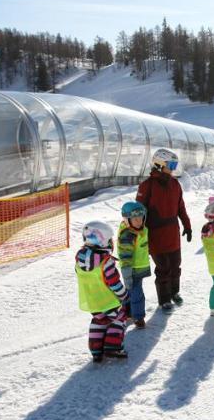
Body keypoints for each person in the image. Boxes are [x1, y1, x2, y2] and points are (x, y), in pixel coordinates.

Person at [136, 148, 192, 311]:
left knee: (176, 266)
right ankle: (164, 299)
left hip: (172, 233)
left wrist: (187, 225)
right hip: (155, 233)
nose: (174, 168)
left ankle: (174, 292)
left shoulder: (175, 184)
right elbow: (138, 212)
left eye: (175, 164)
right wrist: (139, 235)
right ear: (159, 164)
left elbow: (181, 207)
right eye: (171, 164)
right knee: (163, 268)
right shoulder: (147, 185)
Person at [75, 220, 129, 363]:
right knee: (119, 318)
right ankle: (113, 347)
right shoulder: (105, 261)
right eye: (110, 240)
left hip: (92, 302)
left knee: (99, 321)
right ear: (103, 241)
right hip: (109, 300)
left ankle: (96, 351)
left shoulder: (79, 259)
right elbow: (114, 283)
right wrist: (124, 295)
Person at [117, 201, 151, 329]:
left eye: (141, 218)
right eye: (135, 219)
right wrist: (127, 275)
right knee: (136, 293)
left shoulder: (140, 230)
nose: (138, 221)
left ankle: (128, 312)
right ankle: (138, 317)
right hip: (132, 269)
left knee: (131, 291)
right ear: (127, 220)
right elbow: (125, 257)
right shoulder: (128, 235)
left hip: (139, 266)